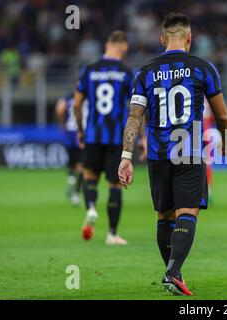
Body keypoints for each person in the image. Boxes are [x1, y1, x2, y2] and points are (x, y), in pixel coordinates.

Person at [118, 12, 227, 296]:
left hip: (158, 154)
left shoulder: (145, 71)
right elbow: (223, 116)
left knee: (164, 215)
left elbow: (134, 117)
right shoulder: (202, 68)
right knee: (187, 212)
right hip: (189, 151)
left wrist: (126, 156)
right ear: (189, 39)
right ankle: (172, 271)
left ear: (162, 39)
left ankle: (173, 272)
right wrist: (226, 140)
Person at [73, 31, 145, 245]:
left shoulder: (89, 70)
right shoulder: (125, 72)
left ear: (107, 44)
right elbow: (136, 109)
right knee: (115, 185)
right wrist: (140, 138)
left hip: (93, 133)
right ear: (123, 46)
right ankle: (112, 234)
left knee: (89, 176)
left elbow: (76, 104)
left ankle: (92, 208)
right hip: (116, 137)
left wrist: (79, 129)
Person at [55, 93, 88, 206]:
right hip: (81, 133)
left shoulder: (68, 98)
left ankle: (71, 178)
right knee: (81, 165)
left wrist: (62, 124)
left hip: (69, 133)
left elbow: (60, 109)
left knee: (72, 162)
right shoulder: (88, 98)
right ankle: (75, 192)